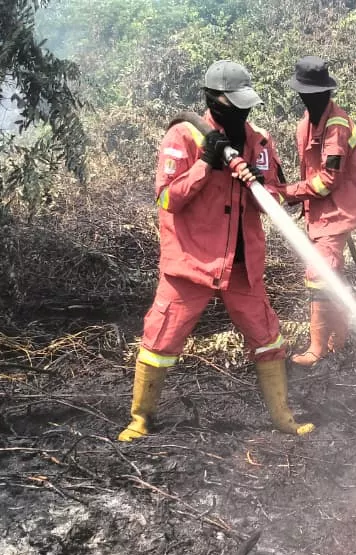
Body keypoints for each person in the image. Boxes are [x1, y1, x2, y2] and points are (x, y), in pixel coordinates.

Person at [118, 60, 314, 442]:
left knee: (267, 337)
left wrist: (261, 186)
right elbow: (167, 200)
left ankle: (282, 416)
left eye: (246, 104)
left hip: (242, 265)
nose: (242, 111)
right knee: (162, 337)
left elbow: (273, 195)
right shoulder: (184, 136)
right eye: (234, 103)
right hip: (192, 260)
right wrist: (207, 163)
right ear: (213, 98)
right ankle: (141, 417)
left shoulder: (259, 140)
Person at [279, 55, 356, 367]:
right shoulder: (305, 125)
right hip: (319, 213)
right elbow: (310, 171)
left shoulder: (336, 126)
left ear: (325, 93)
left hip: (337, 211)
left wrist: (289, 193)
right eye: (304, 95)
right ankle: (339, 339)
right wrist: (299, 201)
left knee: (318, 274)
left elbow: (329, 180)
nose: (307, 99)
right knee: (332, 276)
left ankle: (317, 348)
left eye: (312, 95)